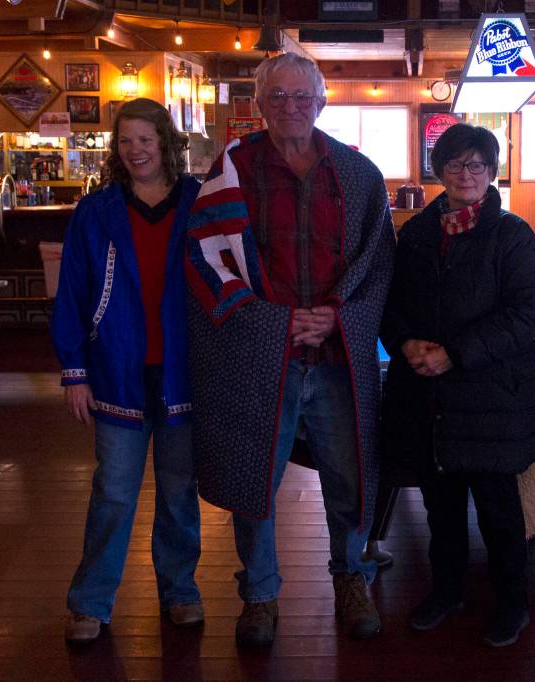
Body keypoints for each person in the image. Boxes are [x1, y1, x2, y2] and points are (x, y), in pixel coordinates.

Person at [185, 54, 395, 646]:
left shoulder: (357, 174)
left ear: (322, 102)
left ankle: (351, 577)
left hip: (336, 357)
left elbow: (378, 263)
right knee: (255, 476)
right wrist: (274, 324)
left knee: (349, 476)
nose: (290, 107)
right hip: (258, 356)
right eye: (276, 96)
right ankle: (260, 593)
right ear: (258, 104)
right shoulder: (232, 170)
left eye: (302, 96)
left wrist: (335, 317)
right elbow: (206, 258)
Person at [380, 124, 535, 647]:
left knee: (499, 509)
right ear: (439, 170)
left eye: (477, 165)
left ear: (492, 171)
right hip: (428, 397)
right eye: (455, 165)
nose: (467, 175)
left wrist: (456, 353)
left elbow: (528, 313)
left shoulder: (513, 234)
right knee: (441, 507)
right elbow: (392, 302)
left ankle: (512, 603)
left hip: (492, 397)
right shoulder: (416, 233)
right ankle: (446, 591)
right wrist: (406, 343)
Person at [51, 98, 203, 642]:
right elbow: (71, 291)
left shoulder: (198, 202)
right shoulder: (96, 211)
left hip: (184, 374)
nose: (135, 150)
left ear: (166, 142)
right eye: (125, 141)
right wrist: (74, 369)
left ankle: (180, 591)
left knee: (179, 492)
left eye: (145, 138)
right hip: (116, 370)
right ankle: (91, 602)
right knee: (113, 492)